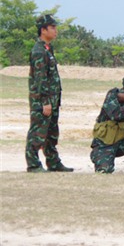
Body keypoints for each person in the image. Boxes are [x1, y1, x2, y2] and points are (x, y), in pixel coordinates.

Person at [26, 14, 73, 173]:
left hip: (52, 100)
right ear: (43, 29)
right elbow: (40, 79)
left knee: (51, 133)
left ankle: (53, 162)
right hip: (43, 101)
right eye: (52, 27)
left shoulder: (47, 48)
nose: (56, 31)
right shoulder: (39, 51)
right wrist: (45, 101)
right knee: (38, 132)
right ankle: (33, 164)